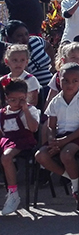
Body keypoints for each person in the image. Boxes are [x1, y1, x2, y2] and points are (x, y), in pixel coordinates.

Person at [35, 63, 79, 209]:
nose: (70, 84)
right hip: (60, 136)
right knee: (40, 156)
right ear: (59, 81)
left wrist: (63, 142)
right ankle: (76, 178)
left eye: (75, 81)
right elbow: (51, 126)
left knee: (66, 155)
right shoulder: (55, 101)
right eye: (65, 80)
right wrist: (52, 140)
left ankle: (77, 190)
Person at [0, 79, 40, 215]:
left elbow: (34, 128)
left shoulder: (29, 110)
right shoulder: (2, 113)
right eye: (13, 100)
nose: (17, 103)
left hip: (24, 141)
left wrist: (25, 110)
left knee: (6, 157)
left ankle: (13, 194)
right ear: (6, 98)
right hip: (7, 140)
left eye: (21, 99)